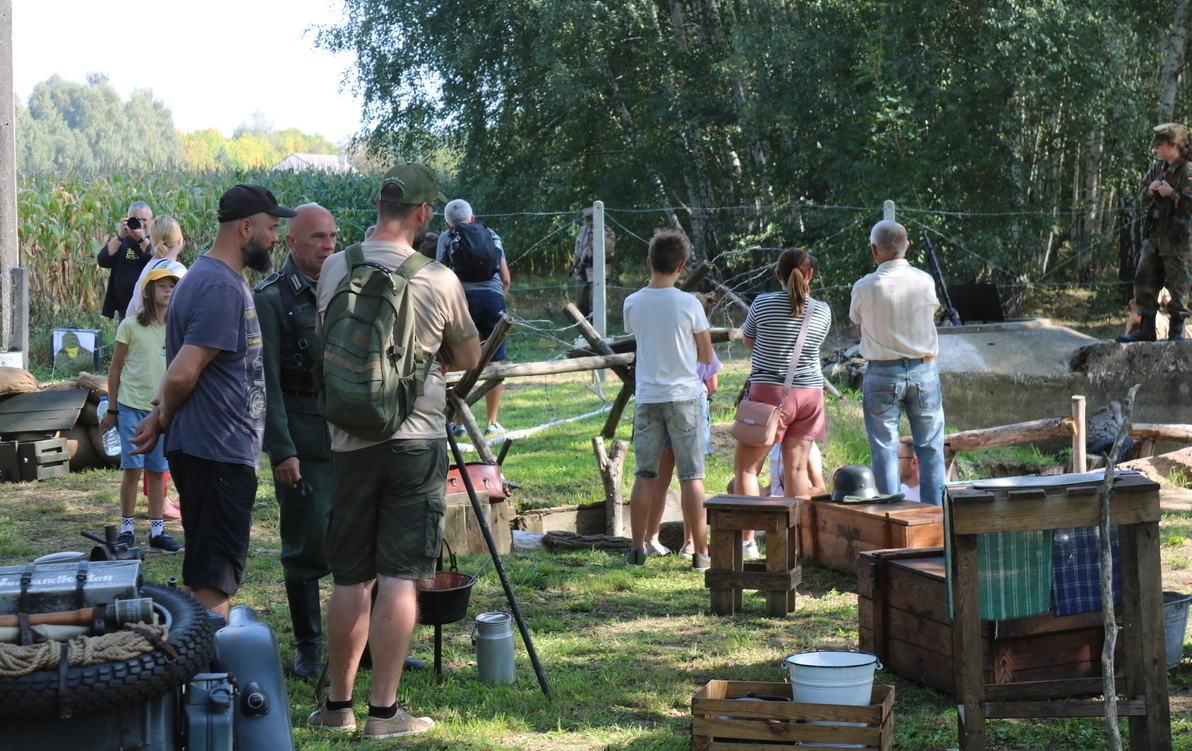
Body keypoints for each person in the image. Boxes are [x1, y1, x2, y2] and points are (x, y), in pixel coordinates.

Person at [308, 163, 480, 739]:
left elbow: (325, 337)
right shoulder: (439, 279)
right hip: (416, 440)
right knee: (401, 575)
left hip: (347, 439)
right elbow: (470, 357)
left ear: (379, 207)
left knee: (350, 577)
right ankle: (385, 713)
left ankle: (337, 706)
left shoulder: (335, 265)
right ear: (425, 214)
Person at [130, 183, 296, 617]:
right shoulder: (220, 286)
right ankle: (209, 682)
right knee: (213, 584)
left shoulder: (202, 277)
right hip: (217, 450)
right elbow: (184, 371)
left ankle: (188, 669)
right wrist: (163, 416)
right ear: (246, 228)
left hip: (205, 447)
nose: (276, 238)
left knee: (203, 569)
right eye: (272, 228)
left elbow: (186, 371)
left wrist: (161, 417)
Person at [253, 203, 338, 679]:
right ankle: (308, 644)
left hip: (351, 437)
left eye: (332, 237)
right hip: (303, 442)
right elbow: (265, 384)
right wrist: (282, 449)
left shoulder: (345, 287)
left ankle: (362, 640)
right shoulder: (270, 299)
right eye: (317, 238)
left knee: (357, 540)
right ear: (289, 242)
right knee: (306, 545)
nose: (328, 246)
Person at [622, 230, 712, 571]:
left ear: (649, 262)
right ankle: (701, 554)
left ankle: (635, 550)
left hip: (647, 397)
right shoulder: (690, 303)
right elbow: (705, 355)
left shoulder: (632, 302)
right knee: (691, 476)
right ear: (682, 266)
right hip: (684, 397)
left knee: (644, 474)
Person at [849, 220, 947, 506]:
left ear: (874, 250)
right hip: (924, 369)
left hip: (882, 373)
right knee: (931, 448)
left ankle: (890, 519)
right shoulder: (925, 280)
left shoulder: (864, 286)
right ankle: (934, 519)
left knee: (884, 449)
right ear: (907, 246)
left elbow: (858, 323)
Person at [733, 248, 833, 514]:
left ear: (777, 274)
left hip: (768, 395)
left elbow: (748, 340)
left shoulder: (762, 303)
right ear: (810, 274)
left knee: (746, 470)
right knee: (798, 469)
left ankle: (747, 541)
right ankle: (794, 543)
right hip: (811, 394)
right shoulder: (823, 311)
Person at [99, 268, 184, 554]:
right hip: (131, 406)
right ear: (147, 292)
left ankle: (157, 532)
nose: (168, 291)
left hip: (161, 411)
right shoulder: (130, 325)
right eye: (162, 286)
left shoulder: (178, 327)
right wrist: (112, 409)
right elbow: (115, 367)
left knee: (158, 472)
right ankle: (126, 529)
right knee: (132, 470)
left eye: (172, 286)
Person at [436, 199, 512, 435]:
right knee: (493, 358)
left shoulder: (446, 236)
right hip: (493, 299)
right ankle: (492, 422)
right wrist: (498, 295)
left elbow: (440, 272)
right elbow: (505, 277)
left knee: (460, 358)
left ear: (447, 223)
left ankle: (459, 424)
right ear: (473, 218)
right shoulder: (491, 233)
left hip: (461, 300)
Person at [1118, 122, 1192, 342]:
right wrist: (1150, 191)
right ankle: (1146, 330)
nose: (1156, 149)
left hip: (1179, 238)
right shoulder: (1159, 167)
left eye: (1160, 144)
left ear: (1173, 144)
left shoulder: (1188, 170)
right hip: (1155, 236)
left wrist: (1173, 194)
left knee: (1179, 286)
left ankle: (1176, 334)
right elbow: (1142, 193)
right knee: (1144, 280)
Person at [98, 200, 154, 319]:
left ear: (152, 221)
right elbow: (103, 260)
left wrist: (141, 238)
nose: (140, 223)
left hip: (150, 306)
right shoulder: (123, 242)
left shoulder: (155, 242)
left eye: (143, 220)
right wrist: (119, 236)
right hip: (124, 307)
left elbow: (155, 258)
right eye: (135, 219)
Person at [126, 215, 188, 318]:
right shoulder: (177, 270)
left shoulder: (147, 268)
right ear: (179, 240)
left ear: (153, 240)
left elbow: (130, 314)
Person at [573, 207, 616, 320]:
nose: (590, 224)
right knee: (580, 302)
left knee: (596, 302)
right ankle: (585, 328)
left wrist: (599, 233)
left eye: (592, 221)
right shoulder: (583, 230)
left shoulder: (607, 231)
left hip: (599, 271)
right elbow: (578, 247)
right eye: (588, 221)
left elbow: (609, 249)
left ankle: (596, 330)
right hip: (583, 271)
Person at [897, 436, 921, 501]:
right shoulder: (899, 491)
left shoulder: (928, 496)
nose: (894, 462)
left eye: (898, 457)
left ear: (914, 462)